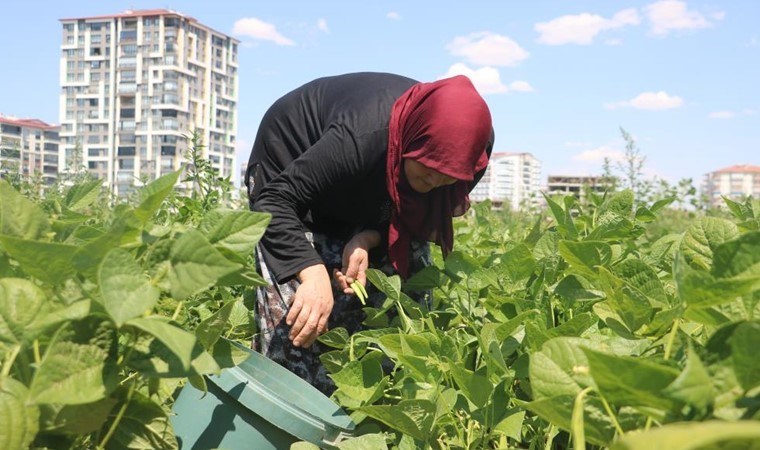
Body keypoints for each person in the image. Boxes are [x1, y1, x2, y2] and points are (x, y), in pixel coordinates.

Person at [245, 72, 494, 394]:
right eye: (428, 170)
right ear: (410, 144)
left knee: (401, 307)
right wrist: (311, 272)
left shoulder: (471, 155)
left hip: (370, 178)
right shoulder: (361, 136)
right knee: (301, 320)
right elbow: (275, 202)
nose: (434, 182)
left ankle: (376, 407)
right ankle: (286, 413)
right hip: (291, 174)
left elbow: (417, 212)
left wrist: (368, 237)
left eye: (446, 177)